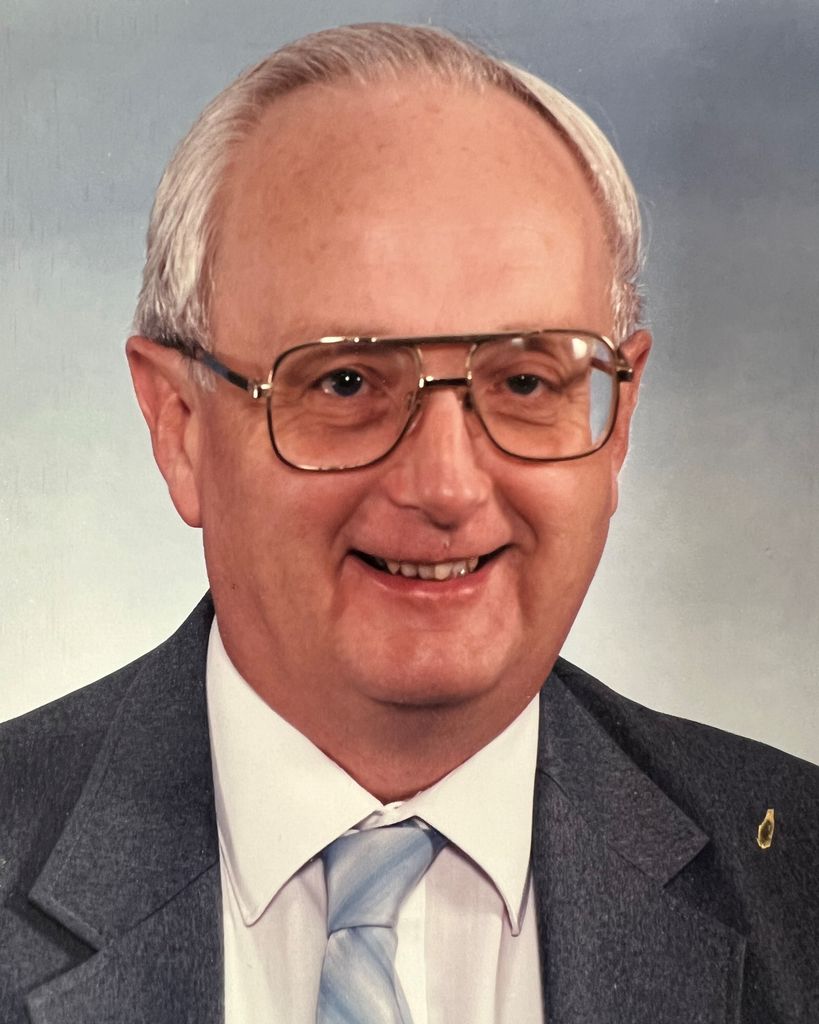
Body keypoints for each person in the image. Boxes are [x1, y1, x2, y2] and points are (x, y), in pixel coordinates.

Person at [1, 22, 816, 1024]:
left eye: (526, 381)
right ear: (180, 427)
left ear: (618, 423)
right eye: (345, 382)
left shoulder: (797, 876)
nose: (446, 486)